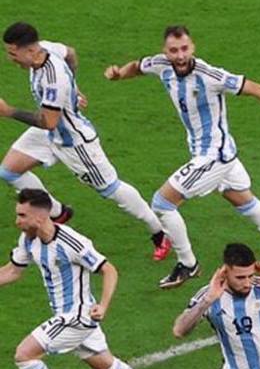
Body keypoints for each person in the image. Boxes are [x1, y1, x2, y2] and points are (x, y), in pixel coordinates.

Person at [104, 26, 260, 289]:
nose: (180, 55)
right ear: (165, 52)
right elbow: (138, 66)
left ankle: (188, 264)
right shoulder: (161, 65)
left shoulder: (210, 76)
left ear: (193, 47)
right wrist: (119, 74)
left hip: (214, 156)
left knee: (162, 203)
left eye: (185, 49)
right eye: (174, 50)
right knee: (246, 203)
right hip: (214, 153)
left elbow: (257, 90)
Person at [0, 189, 172, 369]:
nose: (17, 221)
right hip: (65, 315)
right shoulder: (28, 239)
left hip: (78, 316)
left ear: (40, 217)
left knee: (24, 355)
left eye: (22, 215)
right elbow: (12, 271)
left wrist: (103, 305)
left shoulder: (72, 242)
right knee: (104, 365)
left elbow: (109, 270)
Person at [0, 22, 169, 259]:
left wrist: (8, 112)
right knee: (9, 171)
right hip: (49, 133)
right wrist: (73, 87)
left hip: (73, 143)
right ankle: (57, 212)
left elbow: (49, 121)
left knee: (111, 189)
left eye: (12, 53)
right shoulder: (46, 48)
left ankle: (159, 232)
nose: (10, 59)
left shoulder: (53, 78)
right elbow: (70, 53)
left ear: (29, 50)